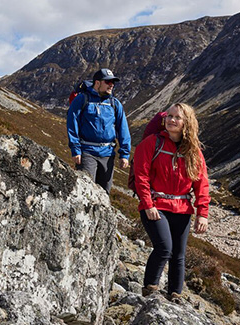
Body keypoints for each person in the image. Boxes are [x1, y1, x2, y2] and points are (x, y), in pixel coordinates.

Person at [132, 103, 210, 302]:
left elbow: (202, 183)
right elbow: (141, 175)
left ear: (187, 124)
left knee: (179, 255)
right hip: (156, 206)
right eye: (169, 116)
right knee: (164, 248)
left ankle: (175, 295)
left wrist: (202, 213)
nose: (171, 120)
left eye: (177, 117)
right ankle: (150, 289)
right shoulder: (152, 143)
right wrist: (148, 204)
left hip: (182, 209)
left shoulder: (193, 152)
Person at [66, 68, 131, 194]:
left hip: (108, 154)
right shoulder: (82, 99)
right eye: (107, 82)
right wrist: (75, 149)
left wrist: (124, 154)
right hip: (87, 153)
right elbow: (72, 124)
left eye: (113, 82)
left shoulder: (114, 103)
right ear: (97, 83)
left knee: (104, 193)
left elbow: (123, 128)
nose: (111, 85)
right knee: (86, 191)